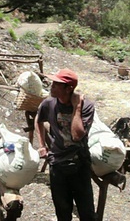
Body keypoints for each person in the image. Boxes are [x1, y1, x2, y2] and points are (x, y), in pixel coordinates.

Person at [35, 68, 96, 221]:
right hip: (57, 163)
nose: (51, 86)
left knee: (86, 212)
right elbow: (38, 120)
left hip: (79, 164)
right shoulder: (48, 103)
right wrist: (42, 145)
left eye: (56, 84)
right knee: (62, 212)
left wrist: (77, 108)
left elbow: (76, 136)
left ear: (69, 88)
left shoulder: (86, 107)